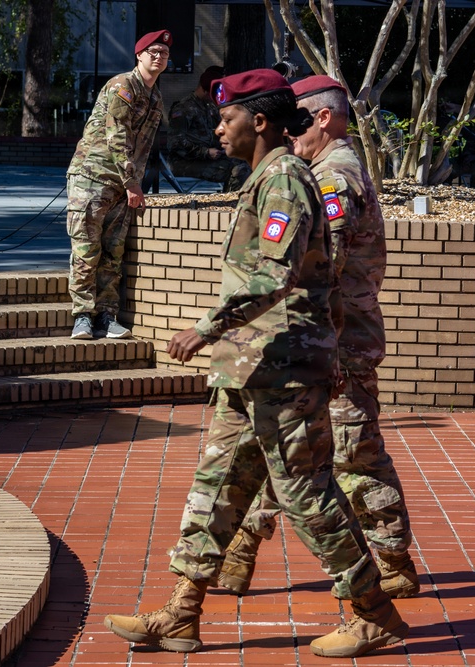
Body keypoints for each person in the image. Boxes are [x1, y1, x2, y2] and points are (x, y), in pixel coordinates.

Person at [103, 69, 409, 659]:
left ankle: (375, 613)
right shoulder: (266, 178)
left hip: (285, 368)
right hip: (247, 368)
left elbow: (275, 273)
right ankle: (182, 613)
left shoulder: (287, 180)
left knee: (304, 494)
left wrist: (204, 329)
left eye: (228, 119)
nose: (219, 129)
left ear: (260, 121)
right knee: (217, 485)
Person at [215, 74, 420, 602]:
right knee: (282, 449)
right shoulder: (318, 171)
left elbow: (325, 265)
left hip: (338, 344)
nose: (291, 130)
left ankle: (393, 560)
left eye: (301, 119)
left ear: (323, 118)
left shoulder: (334, 177)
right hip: (317, 343)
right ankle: (239, 552)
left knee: (353, 452)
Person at [66, 29, 171, 340]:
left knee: (113, 253)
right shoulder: (123, 85)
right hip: (93, 178)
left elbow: (145, 145)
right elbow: (118, 135)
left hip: (122, 186)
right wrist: (132, 181)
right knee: (87, 249)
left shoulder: (155, 97)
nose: (159, 57)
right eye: (153, 51)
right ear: (139, 55)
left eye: (164, 53)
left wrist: (133, 183)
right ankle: (82, 316)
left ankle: (106, 316)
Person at [168, 65, 251, 191]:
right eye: (212, 95)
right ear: (204, 90)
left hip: (207, 158)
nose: (214, 98)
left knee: (244, 162)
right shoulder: (184, 109)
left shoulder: (208, 106)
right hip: (184, 162)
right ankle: (232, 200)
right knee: (237, 170)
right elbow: (175, 143)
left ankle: (236, 198)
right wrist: (205, 152)